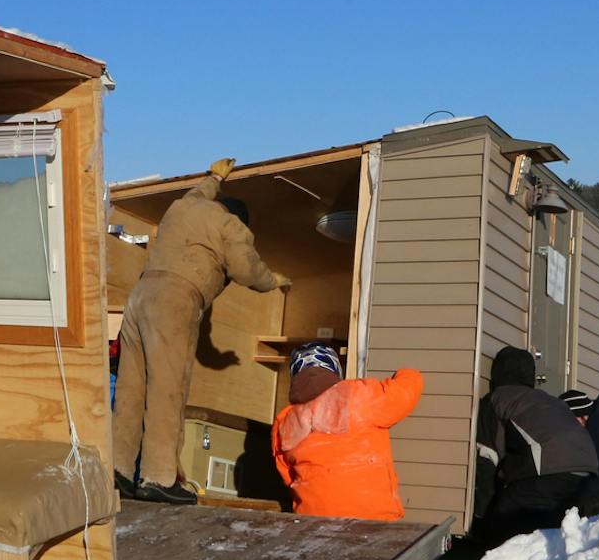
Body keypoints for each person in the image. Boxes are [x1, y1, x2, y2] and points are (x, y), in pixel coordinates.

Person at [113, 157, 288, 504]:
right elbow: (247, 269)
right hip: (175, 300)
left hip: (139, 297)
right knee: (168, 389)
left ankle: (116, 472)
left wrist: (215, 176)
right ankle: (159, 478)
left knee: (133, 388)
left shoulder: (185, 206)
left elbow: (199, 191)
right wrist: (273, 281)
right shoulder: (232, 227)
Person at [272, 344, 423, 521]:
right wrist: (409, 373)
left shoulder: (284, 421)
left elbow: (287, 475)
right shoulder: (359, 396)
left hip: (313, 520)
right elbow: (403, 394)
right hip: (373, 519)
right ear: (334, 368)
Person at [470, 346, 598, 547]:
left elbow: (486, 457)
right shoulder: (546, 399)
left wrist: (479, 518)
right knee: (550, 526)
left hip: (550, 467)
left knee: (504, 517)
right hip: (588, 469)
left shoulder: (496, 399)